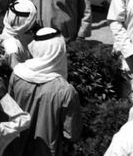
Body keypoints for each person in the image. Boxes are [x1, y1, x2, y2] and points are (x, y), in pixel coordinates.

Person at [8, 27, 83, 155]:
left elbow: (9, 111)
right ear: (59, 51)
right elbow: (71, 134)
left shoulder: (17, 75)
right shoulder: (65, 91)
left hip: (16, 148)